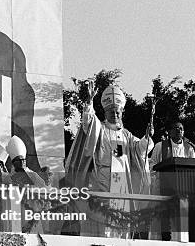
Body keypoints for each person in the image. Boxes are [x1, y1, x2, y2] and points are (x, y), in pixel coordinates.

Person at [65, 82, 154, 237]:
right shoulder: (100, 129)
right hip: (102, 182)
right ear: (105, 113)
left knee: (121, 221)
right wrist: (89, 103)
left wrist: (147, 137)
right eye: (111, 111)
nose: (115, 114)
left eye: (117, 111)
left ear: (122, 113)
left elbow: (140, 150)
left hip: (123, 184)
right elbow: (89, 124)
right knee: (103, 221)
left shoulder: (127, 135)